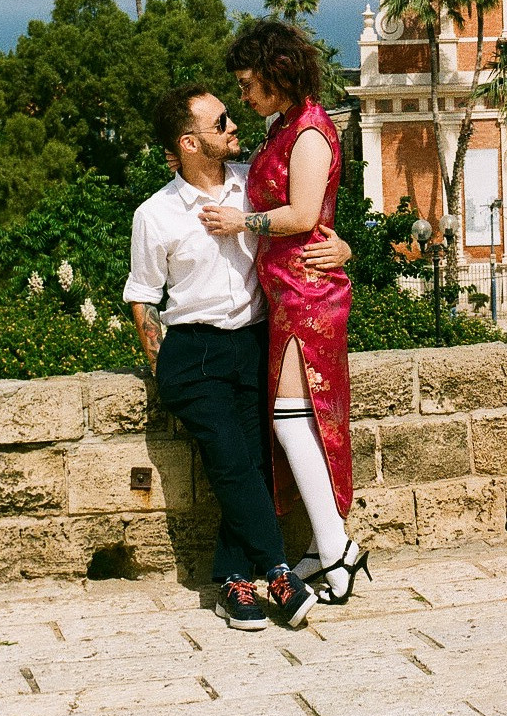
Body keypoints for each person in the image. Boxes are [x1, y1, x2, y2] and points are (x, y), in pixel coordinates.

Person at [123, 81, 351, 632]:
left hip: (252, 343)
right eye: (219, 123)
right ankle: (278, 570)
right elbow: (143, 296)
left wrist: (342, 247)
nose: (233, 128)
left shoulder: (253, 188)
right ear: (190, 143)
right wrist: (165, 367)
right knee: (230, 459)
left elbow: (302, 224)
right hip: (195, 354)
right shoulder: (154, 215)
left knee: (250, 468)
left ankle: (230, 581)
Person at [199, 19, 368, 605]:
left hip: (307, 294)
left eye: (248, 84)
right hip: (287, 290)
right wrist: (339, 241)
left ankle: (336, 547)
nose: (243, 97)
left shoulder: (311, 133)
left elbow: (301, 214)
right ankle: (330, 549)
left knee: (294, 417)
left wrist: (241, 222)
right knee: (298, 419)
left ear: (276, 75)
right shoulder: (285, 128)